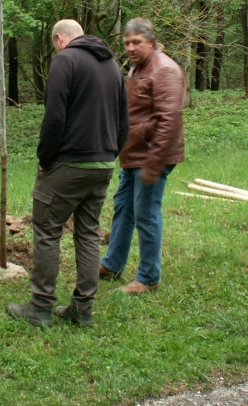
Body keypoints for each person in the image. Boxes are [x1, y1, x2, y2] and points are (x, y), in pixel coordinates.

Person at [6, 19, 128, 327]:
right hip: (103, 164)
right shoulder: (112, 65)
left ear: (60, 38)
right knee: (87, 234)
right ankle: (82, 309)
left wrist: (45, 159)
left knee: (47, 231)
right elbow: (124, 119)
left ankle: (40, 307)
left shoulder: (65, 60)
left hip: (68, 164)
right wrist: (112, 153)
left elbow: (54, 116)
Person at [100, 18, 185, 294]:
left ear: (151, 41)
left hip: (151, 156)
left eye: (136, 42)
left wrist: (154, 162)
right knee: (123, 209)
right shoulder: (139, 67)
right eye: (126, 43)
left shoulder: (165, 70)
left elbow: (169, 120)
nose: (130, 48)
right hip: (134, 153)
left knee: (146, 214)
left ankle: (149, 276)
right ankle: (112, 264)